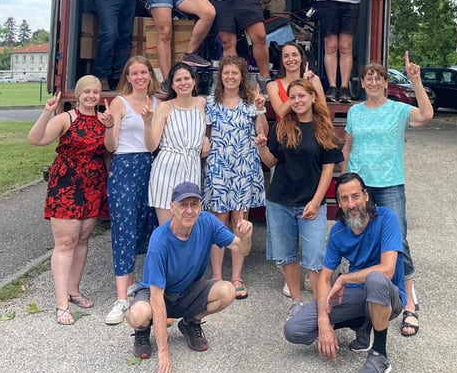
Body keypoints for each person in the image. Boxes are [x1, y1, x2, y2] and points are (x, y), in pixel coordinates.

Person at [342, 53, 434, 339]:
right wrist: (345, 181)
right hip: (361, 187)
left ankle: (409, 302)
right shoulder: (355, 111)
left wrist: (416, 80)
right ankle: (362, 298)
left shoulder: (398, 109)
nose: (372, 81)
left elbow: (426, 115)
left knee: (398, 241)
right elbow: (348, 146)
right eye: (368, 77)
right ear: (362, 83)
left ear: (385, 83)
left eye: (378, 77)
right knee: (359, 239)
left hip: (389, 183)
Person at [284, 172, 405, 373]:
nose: (351, 204)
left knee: (375, 279)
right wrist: (324, 321)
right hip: (359, 297)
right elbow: (324, 278)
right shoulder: (338, 232)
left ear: (366, 196)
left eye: (355, 196)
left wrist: (344, 278)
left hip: (388, 296)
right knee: (294, 329)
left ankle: (379, 355)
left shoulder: (387, 218)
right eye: (344, 199)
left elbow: (387, 270)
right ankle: (362, 324)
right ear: (339, 203)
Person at [125, 181, 254, 371]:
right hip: (159, 294)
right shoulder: (159, 240)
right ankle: (142, 330)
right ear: (172, 207)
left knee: (227, 290)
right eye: (183, 204)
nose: (189, 210)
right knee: (138, 315)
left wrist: (246, 237)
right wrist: (164, 352)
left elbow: (242, 249)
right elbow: (157, 299)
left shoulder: (208, 222)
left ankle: (190, 323)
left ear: (201, 206)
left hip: (188, 290)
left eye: (194, 204)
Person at [28, 75, 113, 325]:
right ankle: (61, 302)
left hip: (93, 184)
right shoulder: (65, 119)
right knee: (65, 242)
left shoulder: (102, 119)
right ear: (78, 95)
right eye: (86, 92)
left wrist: (109, 127)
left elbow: (110, 149)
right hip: (66, 184)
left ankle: (74, 290)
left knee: (82, 240)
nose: (91, 96)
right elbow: (36, 139)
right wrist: (46, 112)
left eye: (95, 92)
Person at [256, 78, 343, 320]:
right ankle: (296, 302)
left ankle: (318, 307)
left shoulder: (324, 127)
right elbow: (271, 161)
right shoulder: (283, 125)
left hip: (311, 204)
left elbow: (328, 168)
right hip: (280, 202)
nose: (297, 101)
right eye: (292, 97)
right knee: (287, 255)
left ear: (313, 97)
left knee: (315, 257)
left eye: (301, 96)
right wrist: (262, 148)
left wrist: (316, 202)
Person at [203, 55, 268, 299]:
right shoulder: (210, 102)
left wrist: (261, 109)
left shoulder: (251, 102)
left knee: (240, 221)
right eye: (226, 73)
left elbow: (262, 133)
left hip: (243, 166)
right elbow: (206, 133)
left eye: (235, 73)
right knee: (219, 221)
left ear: (242, 77)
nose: (230, 77)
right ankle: (217, 276)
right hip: (219, 166)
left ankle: (237, 276)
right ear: (221, 76)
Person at [102, 56, 160, 325]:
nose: (139, 77)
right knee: (124, 229)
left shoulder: (157, 103)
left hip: (149, 166)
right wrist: (110, 127)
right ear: (128, 76)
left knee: (148, 227)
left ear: (150, 75)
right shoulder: (119, 102)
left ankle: (146, 288)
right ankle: (121, 297)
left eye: (143, 72)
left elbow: (151, 146)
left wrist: (148, 121)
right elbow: (111, 147)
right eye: (134, 73)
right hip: (124, 166)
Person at [145, 62, 208, 224]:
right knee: (168, 226)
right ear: (172, 85)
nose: (183, 83)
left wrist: (206, 138)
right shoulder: (165, 107)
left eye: (187, 78)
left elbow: (208, 124)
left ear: (194, 81)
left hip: (192, 168)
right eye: (178, 80)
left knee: (189, 225)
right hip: (167, 170)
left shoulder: (201, 103)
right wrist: (147, 123)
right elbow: (152, 145)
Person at [266, 41, 326, 119]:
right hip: (285, 129)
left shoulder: (314, 80)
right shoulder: (273, 86)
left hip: (311, 127)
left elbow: (324, 112)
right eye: (286, 56)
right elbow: (281, 113)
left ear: (301, 58)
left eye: (294, 55)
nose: (291, 59)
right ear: (282, 60)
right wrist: (302, 84)